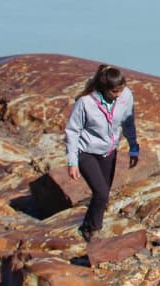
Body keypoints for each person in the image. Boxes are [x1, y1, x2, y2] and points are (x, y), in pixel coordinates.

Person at [64, 64, 139, 243]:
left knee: (102, 196)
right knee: (102, 193)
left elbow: (128, 122)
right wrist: (72, 162)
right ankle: (94, 231)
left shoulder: (126, 96)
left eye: (121, 89)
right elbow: (72, 131)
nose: (119, 94)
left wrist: (133, 146)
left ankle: (87, 226)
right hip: (86, 152)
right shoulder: (85, 103)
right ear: (104, 89)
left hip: (109, 151)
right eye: (115, 91)